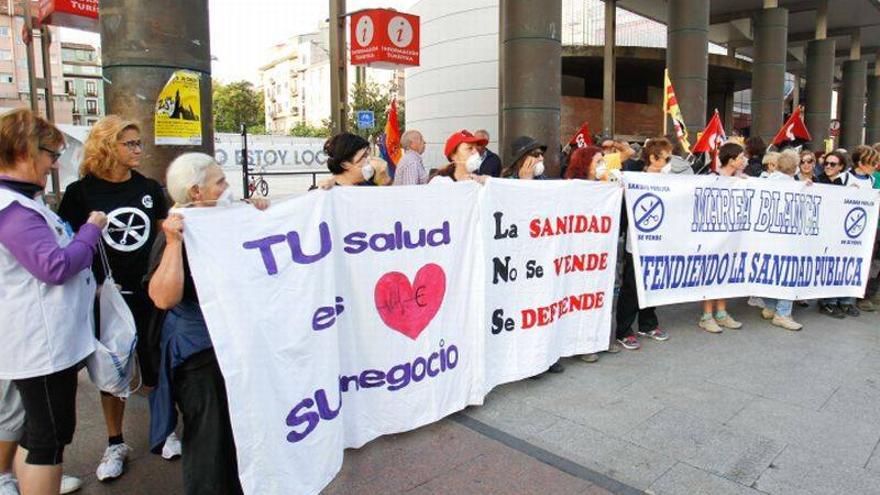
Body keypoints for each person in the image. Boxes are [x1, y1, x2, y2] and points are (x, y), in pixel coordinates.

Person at [57, 115, 181, 482]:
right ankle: (115, 442)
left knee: (157, 364)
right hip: (105, 295)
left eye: (139, 143)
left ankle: (165, 428)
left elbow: (163, 232)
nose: (139, 150)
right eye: (130, 144)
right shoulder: (81, 193)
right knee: (114, 370)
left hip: (149, 291)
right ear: (108, 146)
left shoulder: (148, 188)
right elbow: (69, 241)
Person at [0, 108, 107, 495]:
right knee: (49, 436)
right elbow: (55, 266)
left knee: (36, 427)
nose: (53, 164)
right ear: (26, 150)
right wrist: (90, 232)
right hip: (39, 345)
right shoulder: (13, 210)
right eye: (50, 154)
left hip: (35, 339)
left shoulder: (18, 202)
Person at [147, 153, 268, 495]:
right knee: (209, 440)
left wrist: (255, 216)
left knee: (238, 433)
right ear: (197, 192)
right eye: (220, 182)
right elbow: (163, 297)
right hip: (200, 353)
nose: (227, 187)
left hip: (233, 342)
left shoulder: (225, 220)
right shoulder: (178, 230)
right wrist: (173, 243)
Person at [616, 138, 673, 350]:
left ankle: (648, 323)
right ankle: (623, 330)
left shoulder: (671, 181)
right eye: (666, 157)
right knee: (631, 285)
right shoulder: (634, 177)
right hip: (637, 241)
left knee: (652, 282)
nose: (669, 162)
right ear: (653, 158)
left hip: (660, 241)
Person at [697, 143, 746, 334]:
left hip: (731, 237)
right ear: (732, 160)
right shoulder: (712, 179)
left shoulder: (741, 180)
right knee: (711, 274)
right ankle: (707, 316)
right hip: (712, 236)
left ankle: (722, 313)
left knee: (725, 272)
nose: (744, 160)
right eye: (741, 157)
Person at [759, 149, 804, 331]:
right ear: (795, 167)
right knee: (788, 272)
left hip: (767, 237)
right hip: (787, 238)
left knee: (769, 271)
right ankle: (783, 313)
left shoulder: (766, 181)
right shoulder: (795, 186)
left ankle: (770, 306)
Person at [815, 150, 860, 317]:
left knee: (843, 265)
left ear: (841, 167)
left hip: (842, 231)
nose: (828, 166)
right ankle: (827, 302)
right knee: (828, 265)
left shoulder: (846, 181)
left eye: (832, 164)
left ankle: (843, 301)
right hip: (824, 231)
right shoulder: (818, 180)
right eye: (826, 163)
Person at [846, 145, 880, 312]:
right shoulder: (845, 178)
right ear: (861, 163)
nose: (875, 166)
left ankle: (853, 298)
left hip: (870, 228)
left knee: (866, 263)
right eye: (873, 162)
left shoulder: (873, 180)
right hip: (851, 228)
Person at [316, 133, 390, 189]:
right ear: (344, 164)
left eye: (368, 155)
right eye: (364, 156)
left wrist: (384, 180)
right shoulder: (327, 191)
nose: (369, 160)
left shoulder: (368, 184)